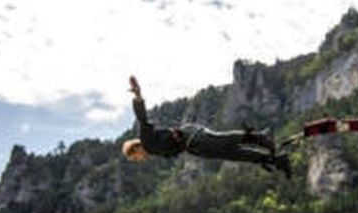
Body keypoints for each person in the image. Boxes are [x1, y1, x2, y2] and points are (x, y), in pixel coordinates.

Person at [122, 76, 292, 178]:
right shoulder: (153, 150)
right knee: (231, 154)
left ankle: (260, 138)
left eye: (135, 157)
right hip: (193, 147)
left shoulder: (146, 141)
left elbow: (142, 118)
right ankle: (274, 160)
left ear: (136, 148)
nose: (138, 160)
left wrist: (138, 95)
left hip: (191, 136)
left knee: (221, 141)